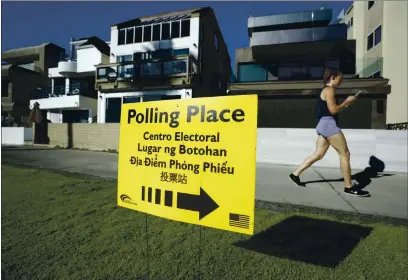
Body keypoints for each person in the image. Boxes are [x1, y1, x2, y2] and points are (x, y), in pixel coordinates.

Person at [289, 67, 370, 197]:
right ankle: (348, 187)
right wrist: (346, 101)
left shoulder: (325, 90)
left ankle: (295, 174)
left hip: (323, 124)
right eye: (340, 78)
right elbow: (333, 111)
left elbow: (333, 110)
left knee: (319, 154)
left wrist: (346, 105)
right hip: (328, 125)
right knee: (345, 154)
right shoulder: (329, 90)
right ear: (332, 77)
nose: (341, 81)